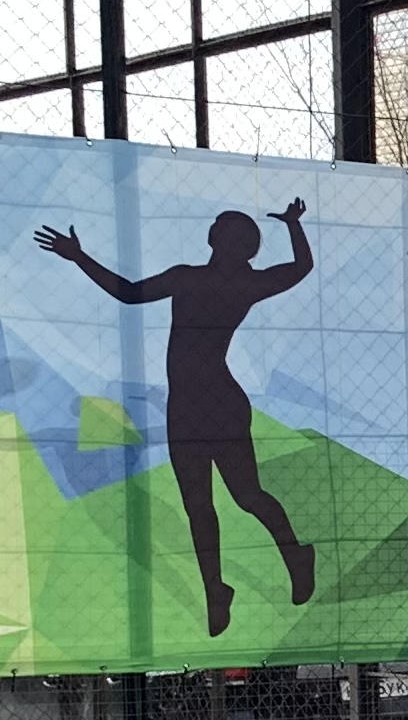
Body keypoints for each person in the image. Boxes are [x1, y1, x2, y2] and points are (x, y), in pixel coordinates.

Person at [33, 201, 321, 638]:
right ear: (214, 240)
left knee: (245, 495)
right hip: (186, 406)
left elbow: (300, 269)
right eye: (222, 233)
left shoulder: (240, 283)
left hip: (220, 403)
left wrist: (295, 226)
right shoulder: (190, 277)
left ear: (240, 247)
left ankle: (295, 556)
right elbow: (130, 293)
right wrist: (79, 257)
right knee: (198, 505)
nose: (222, 240)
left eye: (232, 237)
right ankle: (215, 590)